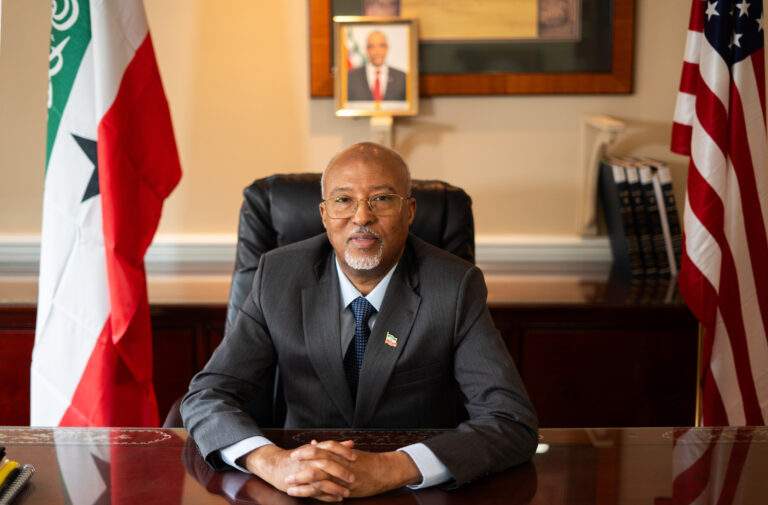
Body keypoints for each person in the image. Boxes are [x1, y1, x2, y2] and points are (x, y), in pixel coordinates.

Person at [181, 142, 538, 501]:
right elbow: (207, 396)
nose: (362, 216)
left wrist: (391, 468)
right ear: (324, 214)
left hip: (411, 492)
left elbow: (511, 421)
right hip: (298, 484)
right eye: (343, 200)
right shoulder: (278, 275)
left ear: (410, 210)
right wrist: (272, 462)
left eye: (381, 199)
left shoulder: (454, 286)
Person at [347, 31, 407, 102]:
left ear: (387, 48)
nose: (377, 51)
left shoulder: (402, 78)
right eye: (372, 46)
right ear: (366, 49)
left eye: (381, 45)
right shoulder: (350, 77)